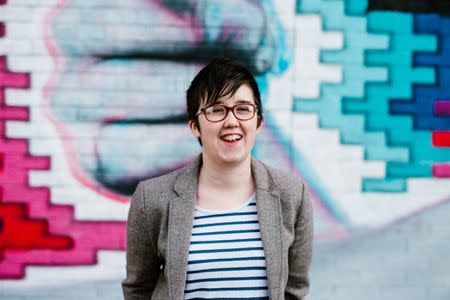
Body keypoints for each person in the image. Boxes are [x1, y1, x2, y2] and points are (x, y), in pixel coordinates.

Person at [122, 57, 313, 299]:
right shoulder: (151, 198)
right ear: (195, 126)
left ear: (259, 122)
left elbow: (294, 290)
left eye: (243, 109)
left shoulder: (292, 195)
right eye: (216, 110)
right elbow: (138, 289)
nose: (231, 121)